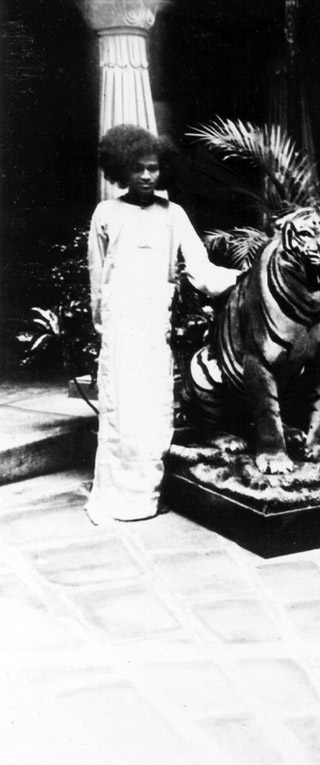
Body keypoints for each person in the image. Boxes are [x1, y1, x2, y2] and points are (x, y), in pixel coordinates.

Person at [85, 124, 239, 525]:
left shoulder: (174, 215)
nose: (146, 175)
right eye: (137, 168)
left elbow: (201, 269)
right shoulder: (106, 213)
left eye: (153, 168)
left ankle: (146, 497)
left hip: (155, 325)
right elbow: (97, 278)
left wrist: (243, 277)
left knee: (152, 409)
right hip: (120, 328)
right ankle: (115, 496)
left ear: (163, 169)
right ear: (122, 169)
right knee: (120, 410)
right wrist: (104, 328)